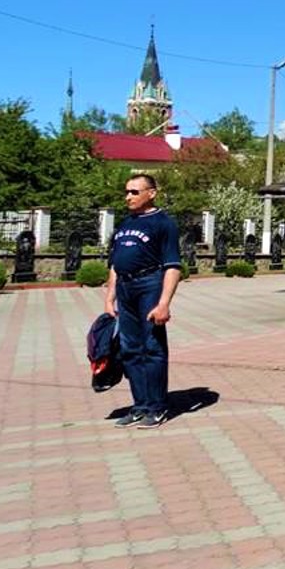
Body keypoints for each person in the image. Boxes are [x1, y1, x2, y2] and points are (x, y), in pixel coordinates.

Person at [105, 173, 182, 429]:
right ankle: (139, 406)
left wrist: (164, 303)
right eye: (127, 192)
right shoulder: (125, 223)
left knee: (153, 348)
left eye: (134, 192)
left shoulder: (163, 223)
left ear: (152, 193)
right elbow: (115, 264)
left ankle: (157, 407)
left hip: (150, 285)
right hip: (126, 288)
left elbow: (173, 266)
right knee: (130, 350)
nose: (128, 196)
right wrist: (110, 298)